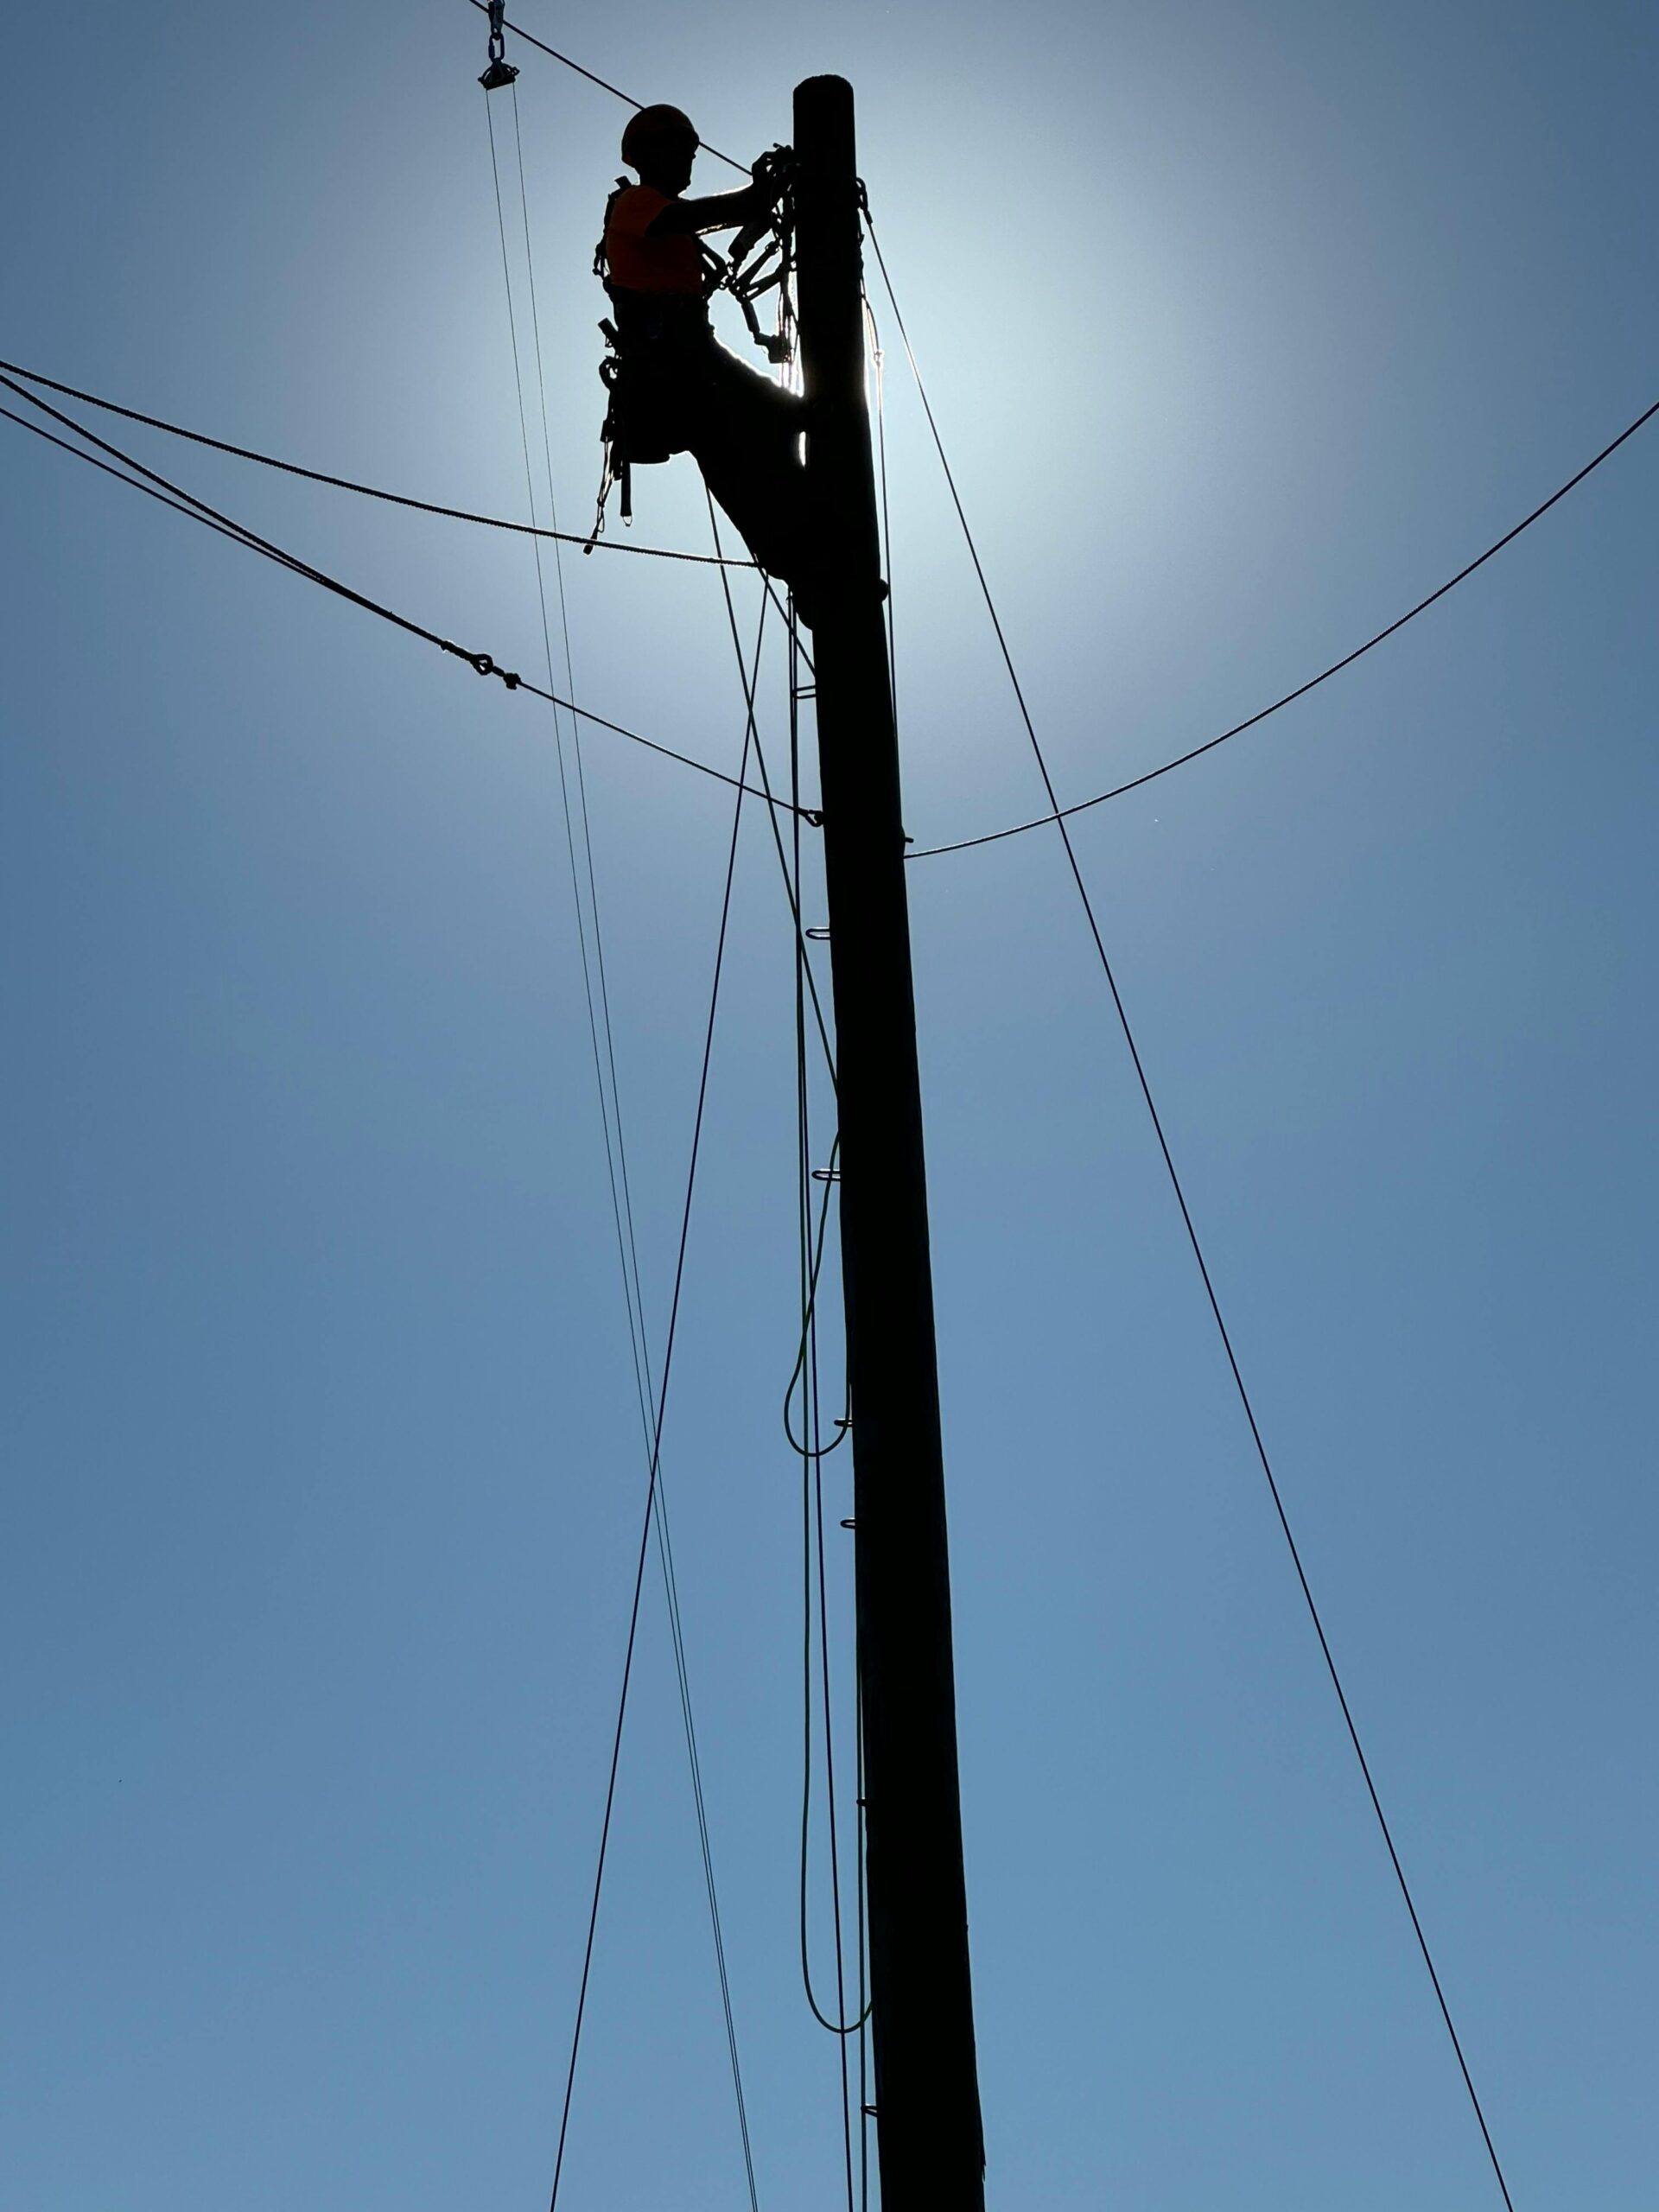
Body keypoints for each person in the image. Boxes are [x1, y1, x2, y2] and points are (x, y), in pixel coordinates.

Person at [598, 105, 818, 612]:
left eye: (691, 153)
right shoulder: (633, 203)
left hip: (696, 353)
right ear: (648, 155)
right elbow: (687, 216)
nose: (688, 162)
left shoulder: (667, 224)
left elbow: (699, 238)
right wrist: (752, 198)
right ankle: (804, 569)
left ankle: (812, 543)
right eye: (680, 151)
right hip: (672, 365)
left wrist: (757, 205)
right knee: (745, 453)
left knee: (784, 423)